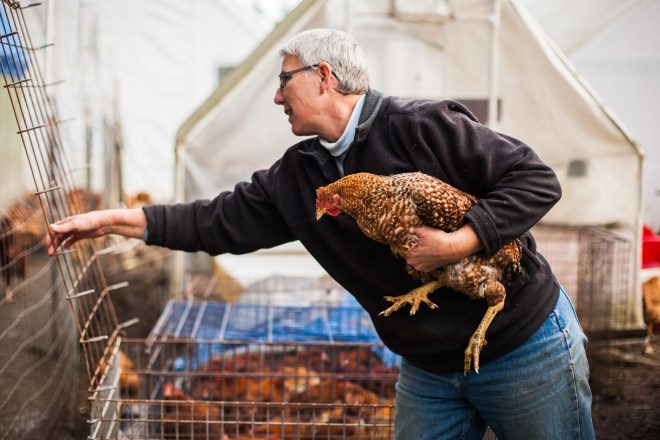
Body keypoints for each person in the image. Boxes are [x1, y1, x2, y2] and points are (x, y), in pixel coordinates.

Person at [47, 28, 595, 439]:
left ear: (324, 78)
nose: (277, 97)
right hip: (428, 369)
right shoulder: (299, 176)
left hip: (523, 346)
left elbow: (535, 179)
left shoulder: (422, 125)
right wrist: (112, 221)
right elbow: (214, 221)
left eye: (284, 81)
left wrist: (458, 243)